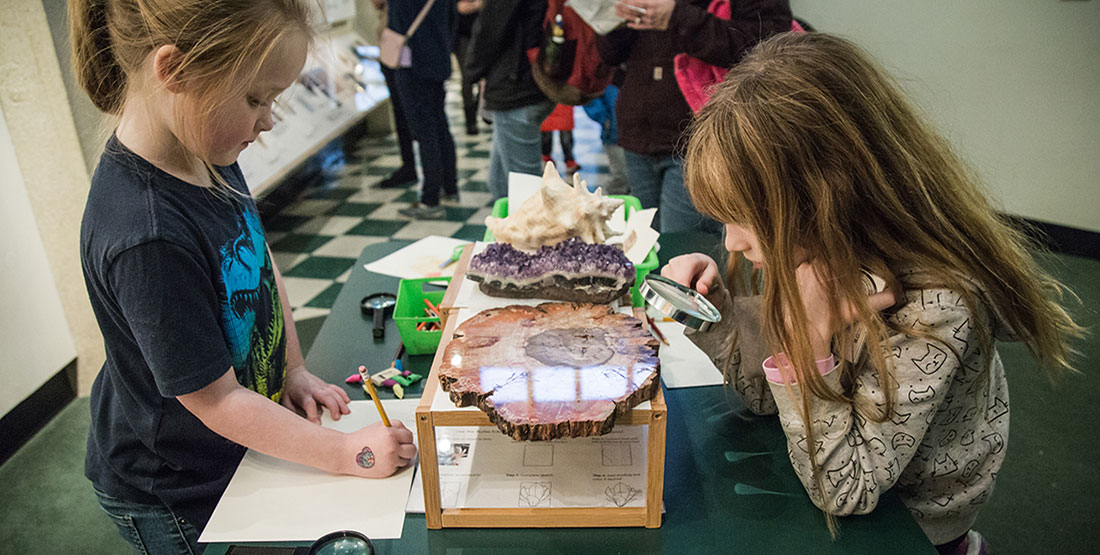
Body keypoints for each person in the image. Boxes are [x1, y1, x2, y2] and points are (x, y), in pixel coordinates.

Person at [663, 33, 1082, 554]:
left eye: (747, 218)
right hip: (828, 454)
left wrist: (810, 345)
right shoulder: (802, 248)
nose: (732, 242)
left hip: (911, 525)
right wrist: (716, 311)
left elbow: (846, 488)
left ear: (829, 199)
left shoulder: (937, 305)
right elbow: (765, 399)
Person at [69, 1, 417, 552]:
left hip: (236, 443)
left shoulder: (205, 149)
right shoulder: (147, 235)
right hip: (176, 488)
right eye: (256, 98)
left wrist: (293, 368)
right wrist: (346, 453)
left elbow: (256, 253)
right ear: (177, 71)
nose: (268, 119)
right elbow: (216, 403)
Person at [598, 0, 790, 234]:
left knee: (683, 252)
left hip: (702, 137)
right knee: (643, 249)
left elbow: (768, 50)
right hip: (639, 131)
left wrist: (678, 17)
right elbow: (610, 55)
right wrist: (615, 20)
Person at [465, 0, 554, 200]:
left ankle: (536, 232)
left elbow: (490, 29)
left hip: (517, 86)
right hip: (533, 82)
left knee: (526, 197)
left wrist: (471, 71)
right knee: (500, 184)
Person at [388, 0, 460, 219]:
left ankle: (430, 200)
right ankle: (450, 188)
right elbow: (452, 21)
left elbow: (396, 23)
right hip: (438, 61)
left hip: (413, 66)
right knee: (440, 125)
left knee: (426, 132)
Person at [369, 0, 419, 189]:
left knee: (409, 115)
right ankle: (415, 168)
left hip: (402, 52)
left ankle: (415, 170)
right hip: (399, 50)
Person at [582, 68, 629, 195]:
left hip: (635, 134)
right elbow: (589, 97)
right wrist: (605, 119)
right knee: (621, 177)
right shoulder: (605, 71)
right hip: (614, 134)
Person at [453, 0, 483, 136]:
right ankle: (471, 121)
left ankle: (479, 107)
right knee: (467, 78)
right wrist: (456, 7)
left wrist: (479, 4)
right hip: (461, 35)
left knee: (482, 77)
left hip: (482, 32)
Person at [540, 104, 580, 178]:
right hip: (563, 100)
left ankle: (546, 159)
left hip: (552, 102)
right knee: (565, 136)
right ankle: (569, 162)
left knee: (547, 133)